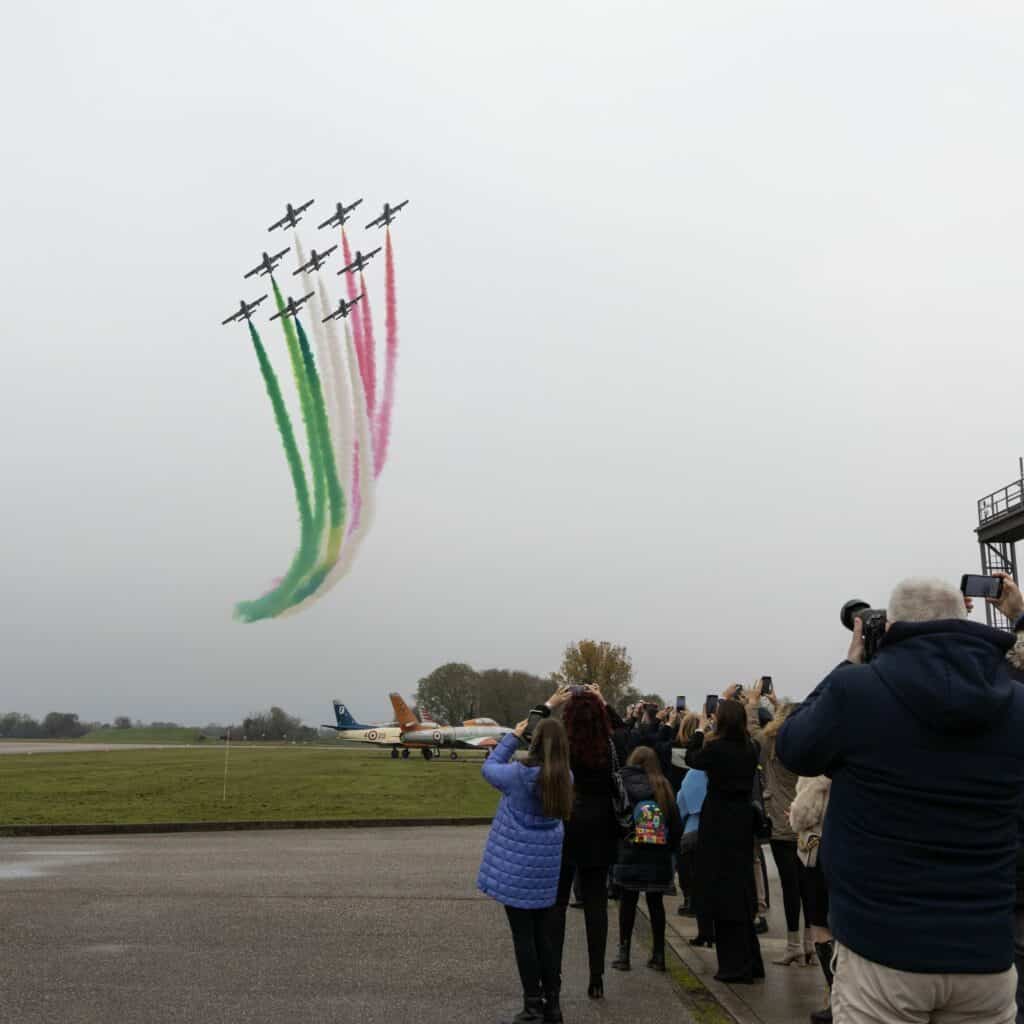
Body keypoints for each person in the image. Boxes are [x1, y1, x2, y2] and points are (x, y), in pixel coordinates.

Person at [777, 576, 1024, 1024]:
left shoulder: (858, 693)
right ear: (961, 617)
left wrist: (850, 663)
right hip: (985, 947)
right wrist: (1020, 617)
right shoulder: (1015, 702)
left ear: (887, 628)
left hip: (881, 946)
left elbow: (793, 747)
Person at [477, 718, 573, 1024]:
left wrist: (512, 737)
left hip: (516, 867)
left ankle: (532, 1004)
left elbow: (489, 767)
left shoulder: (519, 776)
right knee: (545, 937)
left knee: (524, 938)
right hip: (545, 867)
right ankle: (553, 1004)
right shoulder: (564, 777)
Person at [533, 685, 623, 1002]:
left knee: (556, 903)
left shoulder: (563, 746)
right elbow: (628, 733)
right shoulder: (609, 745)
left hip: (566, 819)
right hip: (600, 823)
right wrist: (604, 702)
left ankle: (552, 975)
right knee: (596, 901)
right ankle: (596, 976)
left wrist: (548, 705)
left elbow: (531, 737)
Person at [685, 696, 764, 983]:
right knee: (741, 887)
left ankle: (734, 965)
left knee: (722, 890)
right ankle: (751, 960)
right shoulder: (750, 748)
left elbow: (691, 757)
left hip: (718, 819)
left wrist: (699, 729)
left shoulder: (715, 749)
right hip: (742, 819)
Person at [745, 679, 814, 967]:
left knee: (790, 888)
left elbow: (752, 732)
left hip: (781, 822)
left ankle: (793, 944)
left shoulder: (771, 743)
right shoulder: (807, 742)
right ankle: (813, 942)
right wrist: (776, 703)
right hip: (806, 821)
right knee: (808, 885)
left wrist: (752, 703)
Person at [610, 745, 683, 972]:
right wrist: (669, 849)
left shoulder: (622, 783)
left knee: (628, 904)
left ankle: (624, 954)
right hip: (657, 853)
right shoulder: (663, 786)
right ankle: (659, 954)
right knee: (655, 904)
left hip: (630, 850)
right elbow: (676, 824)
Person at [790, 774, 833, 1023]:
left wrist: (793, 814)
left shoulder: (817, 775)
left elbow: (802, 816)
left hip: (817, 856)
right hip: (847, 853)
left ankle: (835, 993)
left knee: (820, 927)